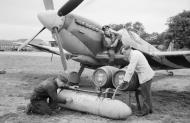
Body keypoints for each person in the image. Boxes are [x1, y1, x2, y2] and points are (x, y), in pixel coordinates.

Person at [120, 45, 155, 116]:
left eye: (124, 52)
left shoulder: (135, 55)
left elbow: (131, 69)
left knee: (145, 94)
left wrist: (125, 81)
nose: (124, 54)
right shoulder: (133, 54)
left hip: (146, 76)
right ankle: (149, 109)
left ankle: (144, 111)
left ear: (129, 49)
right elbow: (131, 65)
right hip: (144, 75)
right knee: (144, 93)